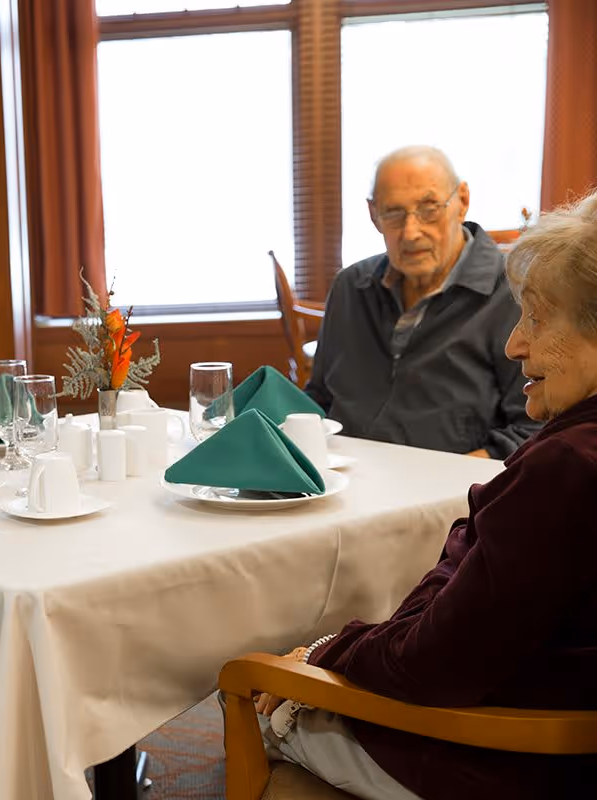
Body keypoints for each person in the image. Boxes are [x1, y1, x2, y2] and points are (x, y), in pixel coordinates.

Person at [243, 189, 597, 799]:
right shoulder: (567, 453)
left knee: (257, 697)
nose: (515, 344)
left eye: (536, 317)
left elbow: (433, 666)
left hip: (511, 758)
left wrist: (329, 651)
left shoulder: (567, 467)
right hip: (539, 709)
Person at [306, 146, 538, 457]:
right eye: (394, 212)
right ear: (374, 214)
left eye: (429, 207)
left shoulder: (515, 292)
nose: (411, 232)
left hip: (455, 496)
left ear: (462, 201)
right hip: (339, 485)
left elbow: (532, 430)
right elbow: (318, 400)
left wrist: (444, 490)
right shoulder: (350, 287)